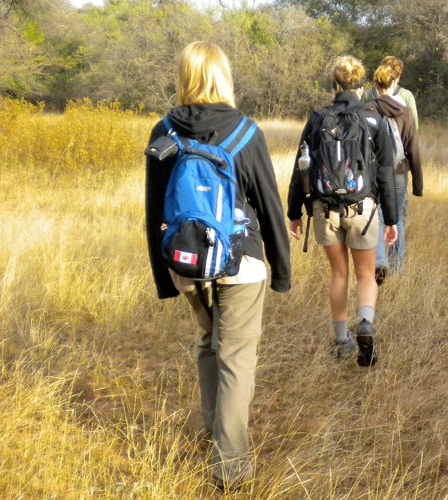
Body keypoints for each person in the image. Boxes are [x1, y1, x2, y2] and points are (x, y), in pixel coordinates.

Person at [144, 41, 291, 490]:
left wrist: (164, 278)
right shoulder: (246, 132)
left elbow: (154, 212)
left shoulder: (162, 131)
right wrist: (282, 270)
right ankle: (230, 467)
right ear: (223, 76)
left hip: (186, 262)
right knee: (236, 358)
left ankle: (216, 438)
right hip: (242, 262)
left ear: (185, 76)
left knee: (208, 344)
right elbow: (268, 205)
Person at [287, 55, 398, 367]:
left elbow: (301, 166)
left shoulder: (317, 118)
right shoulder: (374, 119)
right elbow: (386, 173)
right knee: (365, 274)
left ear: (334, 85)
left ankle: (341, 341)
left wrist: (294, 211)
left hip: (324, 210)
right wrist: (392, 219)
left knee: (338, 274)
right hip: (362, 209)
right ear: (361, 86)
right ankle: (365, 322)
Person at [365, 63, 423, 283]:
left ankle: (380, 262)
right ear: (393, 83)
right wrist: (417, 183)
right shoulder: (404, 112)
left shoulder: (368, 109)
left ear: (376, 84)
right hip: (399, 172)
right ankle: (398, 267)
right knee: (396, 217)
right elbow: (413, 148)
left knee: (377, 216)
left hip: (374, 172)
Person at [363, 56, 419, 130]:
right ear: (398, 75)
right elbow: (414, 125)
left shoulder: (367, 95)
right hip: (399, 140)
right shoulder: (406, 96)